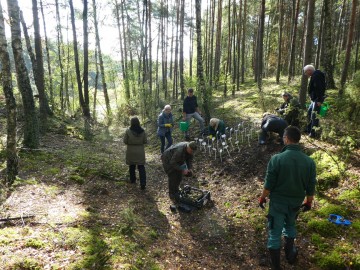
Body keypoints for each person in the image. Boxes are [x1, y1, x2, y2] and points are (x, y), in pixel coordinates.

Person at [258, 126, 316, 269]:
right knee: (290, 225)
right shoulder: (309, 162)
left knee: (274, 232)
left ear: (287, 139)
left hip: (278, 203)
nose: (283, 139)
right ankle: (290, 255)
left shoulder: (276, 159)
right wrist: (308, 202)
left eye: (284, 137)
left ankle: (276, 266)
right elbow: (310, 186)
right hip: (296, 202)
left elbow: (268, 184)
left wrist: (262, 198)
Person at [123, 117, 148, 190]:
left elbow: (125, 141)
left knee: (132, 166)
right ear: (138, 122)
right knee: (141, 167)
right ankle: (143, 184)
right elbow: (145, 141)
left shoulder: (128, 131)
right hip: (140, 151)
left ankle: (133, 180)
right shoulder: (143, 131)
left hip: (131, 150)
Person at [303, 64, 326, 138]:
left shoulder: (317, 75)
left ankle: (313, 133)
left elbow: (319, 88)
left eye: (306, 72)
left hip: (317, 99)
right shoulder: (315, 75)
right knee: (310, 112)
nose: (306, 74)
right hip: (314, 99)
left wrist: (319, 100)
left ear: (309, 70)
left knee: (314, 116)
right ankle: (308, 129)